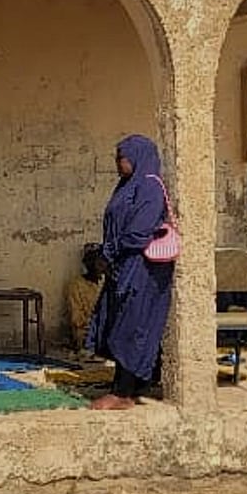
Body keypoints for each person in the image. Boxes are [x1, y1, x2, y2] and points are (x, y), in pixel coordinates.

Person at [86, 135, 175, 410]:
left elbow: (138, 232)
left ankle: (123, 393)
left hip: (142, 270)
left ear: (138, 157)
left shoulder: (149, 186)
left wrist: (109, 253)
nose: (118, 163)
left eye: (122, 157)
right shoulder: (126, 186)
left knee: (132, 327)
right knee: (119, 322)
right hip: (122, 267)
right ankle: (137, 383)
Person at [67, 243, 105, 354]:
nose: (100, 265)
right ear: (88, 263)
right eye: (96, 261)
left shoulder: (106, 284)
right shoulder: (75, 285)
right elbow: (76, 319)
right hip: (85, 332)